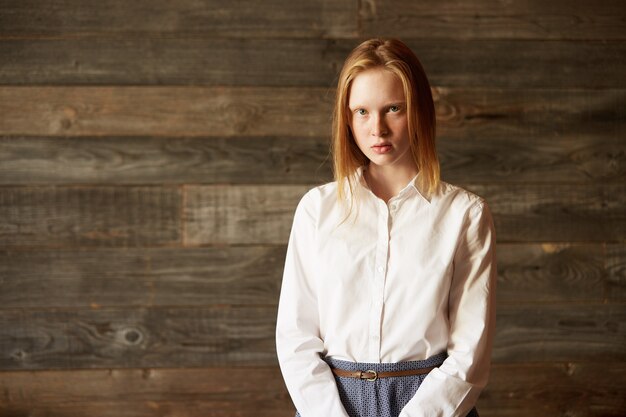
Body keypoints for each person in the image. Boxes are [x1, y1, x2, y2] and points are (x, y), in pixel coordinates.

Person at [275, 38, 496, 417]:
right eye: (362, 111)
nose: (377, 128)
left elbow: (470, 352)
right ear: (347, 117)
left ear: (420, 111)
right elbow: (296, 337)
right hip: (329, 404)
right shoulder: (317, 210)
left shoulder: (465, 214)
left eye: (393, 109)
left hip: (431, 404)